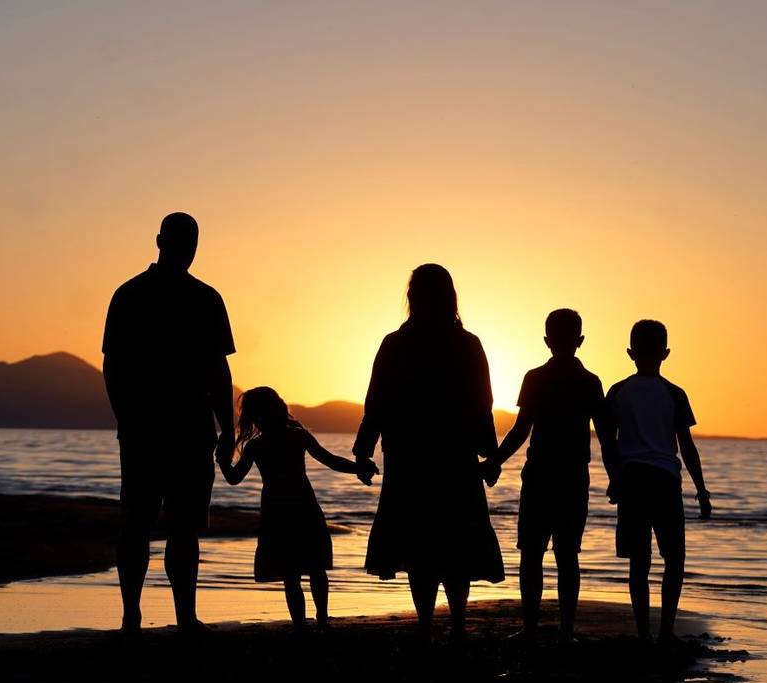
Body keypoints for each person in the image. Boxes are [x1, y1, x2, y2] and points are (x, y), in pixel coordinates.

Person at [354, 263, 505, 641]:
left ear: (412, 297)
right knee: (455, 545)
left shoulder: (396, 343)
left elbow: (376, 401)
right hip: (455, 457)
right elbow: (482, 402)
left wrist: (363, 449)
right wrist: (489, 452)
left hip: (409, 458)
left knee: (419, 546)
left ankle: (425, 624)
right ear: (451, 297)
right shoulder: (467, 343)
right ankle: (455, 623)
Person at [102, 212, 236, 635]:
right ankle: (139, 616)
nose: (187, 250)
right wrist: (126, 416)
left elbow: (218, 372)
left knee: (169, 527)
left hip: (180, 430)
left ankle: (164, 617)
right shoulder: (138, 295)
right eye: (182, 241)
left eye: (191, 243)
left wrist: (226, 428)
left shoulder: (185, 297)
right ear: (159, 240)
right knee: (151, 526)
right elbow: (114, 366)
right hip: (163, 428)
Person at [482, 309, 611, 643]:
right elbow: (607, 437)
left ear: (546, 341)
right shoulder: (590, 382)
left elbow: (521, 429)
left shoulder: (536, 377)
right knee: (567, 555)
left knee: (532, 553)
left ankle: (529, 628)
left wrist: (496, 460)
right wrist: (617, 477)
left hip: (540, 475)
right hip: (572, 478)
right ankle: (566, 631)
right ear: (580, 341)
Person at [218, 387, 377, 632]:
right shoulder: (296, 436)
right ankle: (322, 619)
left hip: (277, 511)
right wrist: (359, 468)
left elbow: (233, 479)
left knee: (291, 573)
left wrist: (222, 461)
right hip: (303, 505)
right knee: (315, 567)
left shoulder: (257, 446)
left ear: (255, 416)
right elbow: (331, 460)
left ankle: (301, 626)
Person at [599, 320, 710, 644]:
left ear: (630, 353)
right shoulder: (675, 393)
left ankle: (645, 632)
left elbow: (608, 442)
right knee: (674, 559)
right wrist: (701, 490)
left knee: (639, 561)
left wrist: (614, 477)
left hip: (632, 479)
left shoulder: (618, 392)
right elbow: (687, 446)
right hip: (664, 481)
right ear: (666, 353)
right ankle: (665, 632)